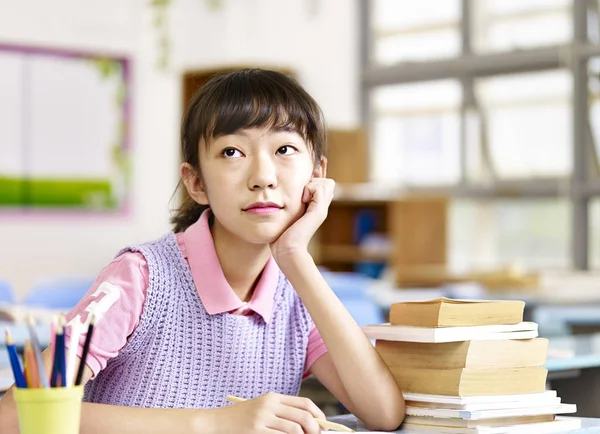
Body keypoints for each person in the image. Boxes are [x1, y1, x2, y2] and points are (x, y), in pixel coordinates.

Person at [0, 68, 405, 434]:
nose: (262, 176)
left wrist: (297, 257)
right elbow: (16, 416)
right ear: (196, 183)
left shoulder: (297, 292)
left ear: (317, 175)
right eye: (232, 152)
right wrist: (211, 423)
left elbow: (382, 412)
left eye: (284, 150)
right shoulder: (139, 277)